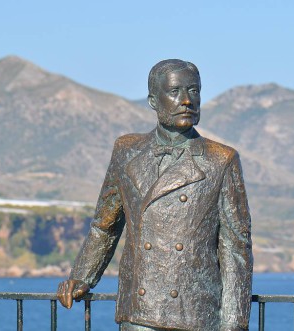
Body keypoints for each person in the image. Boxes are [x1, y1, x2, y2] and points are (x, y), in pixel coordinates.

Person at [57, 59, 253, 331]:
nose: (187, 100)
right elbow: (105, 226)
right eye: (175, 92)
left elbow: (236, 248)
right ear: (153, 100)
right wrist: (82, 277)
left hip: (194, 314)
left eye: (194, 91)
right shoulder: (126, 151)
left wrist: (233, 324)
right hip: (139, 311)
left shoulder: (221, 160)